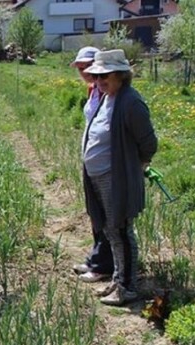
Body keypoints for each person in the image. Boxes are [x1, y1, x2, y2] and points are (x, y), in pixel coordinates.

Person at [82, 49, 158, 305]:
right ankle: (117, 279)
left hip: (116, 178)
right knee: (110, 230)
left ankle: (128, 288)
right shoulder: (107, 97)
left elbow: (148, 142)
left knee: (121, 230)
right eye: (97, 76)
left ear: (121, 76)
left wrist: (136, 165)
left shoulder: (130, 102)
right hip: (99, 176)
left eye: (105, 76)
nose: (99, 81)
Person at [70, 46, 115, 284]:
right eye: (80, 68)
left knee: (107, 217)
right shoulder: (92, 91)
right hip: (91, 161)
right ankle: (96, 258)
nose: (84, 72)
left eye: (87, 66)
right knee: (95, 213)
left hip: (107, 166)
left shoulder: (110, 92)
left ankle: (104, 265)